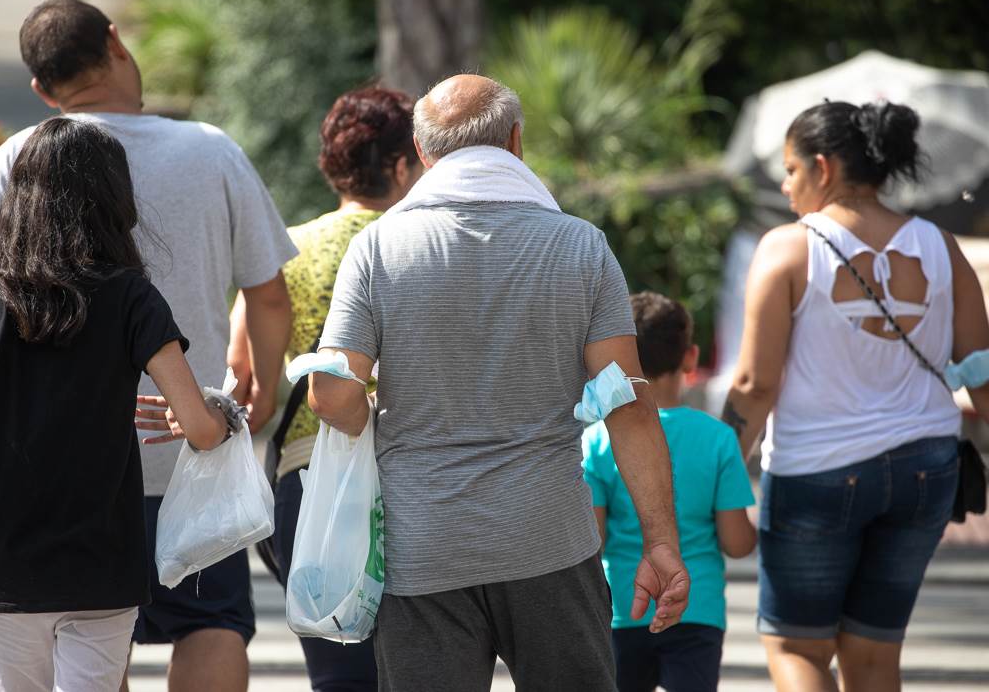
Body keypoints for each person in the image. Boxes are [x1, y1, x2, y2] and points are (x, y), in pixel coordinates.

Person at [0, 0, 296, 692]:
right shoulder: (211, 149)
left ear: (44, 92)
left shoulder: (19, 154)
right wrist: (253, 387)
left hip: (31, 491)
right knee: (213, 623)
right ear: (116, 43)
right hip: (180, 461)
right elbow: (268, 295)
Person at [307, 74, 689, 691]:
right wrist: (661, 544)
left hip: (423, 549)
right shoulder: (582, 247)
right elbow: (630, 409)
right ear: (516, 141)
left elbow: (333, 397)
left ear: (424, 153)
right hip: (550, 543)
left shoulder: (377, 249)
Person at [0, 118, 233, 691]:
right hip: (103, 554)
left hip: (6, 555)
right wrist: (222, 418)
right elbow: (201, 430)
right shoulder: (132, 296)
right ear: (113, 197)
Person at [723, 101, 989, 692]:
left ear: (823, 167)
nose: (788, 187)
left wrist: (719, 469)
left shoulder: (788, 249)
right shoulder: (942, 249)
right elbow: (981, 373)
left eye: (791, 171)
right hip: (925, 471)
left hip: (818, 472)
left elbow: (755, 384)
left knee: (798, 648)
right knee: (874, 656)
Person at [228, 85, 422, 690]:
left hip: (310, 484)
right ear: (398, 165)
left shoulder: (286, 252)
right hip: (415, 476)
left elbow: (246, 378)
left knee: (339, 674)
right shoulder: (424, 245)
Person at [583, 291, 756, 692]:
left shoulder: (596, 441)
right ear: (690, 358)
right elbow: (736, 542)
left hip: (623, 608)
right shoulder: (717, 439)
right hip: (698, 609)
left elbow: (594, 540)